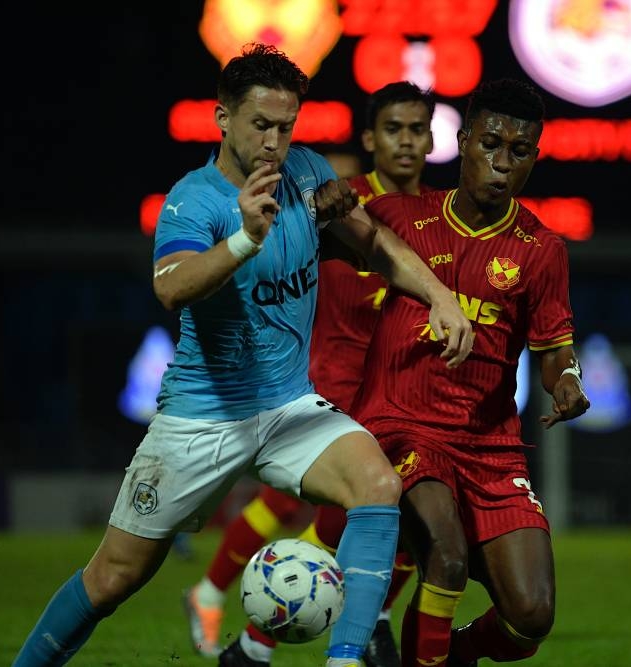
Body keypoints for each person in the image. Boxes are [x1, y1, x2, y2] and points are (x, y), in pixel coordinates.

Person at [10, 45, 473, 667]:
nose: (275, 142)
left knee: (377, 484)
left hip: (287, 409)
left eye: (287, 127)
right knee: (113, 579)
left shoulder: (308, 175)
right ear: (223, 118)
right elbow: (172, 286)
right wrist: (244, 238)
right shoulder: (193, 199)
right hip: (201, 418)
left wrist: (440, 297)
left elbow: (377, 244)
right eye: (262, 125)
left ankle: (344, 659)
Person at [319, 78, 590, 666]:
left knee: (531, 618)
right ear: (462, 142)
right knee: (443, 555)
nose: (501, 163)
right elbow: (310, 242)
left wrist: (568, 379)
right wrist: (324, 212)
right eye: (490, 143)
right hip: (403, 426)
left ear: (533, 159)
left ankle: (445, 656)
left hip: (491, 448)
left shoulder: (541, 250)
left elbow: (554, 352)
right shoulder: (402, 216)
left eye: (519, 153)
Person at [185, 80, 437, 667]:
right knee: (336, 520)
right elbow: (258, 265)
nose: (405, 141)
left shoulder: (438, 216)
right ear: (371, 137)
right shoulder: (330, 201)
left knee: (401, 522)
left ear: (432, 139)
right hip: (334, 386)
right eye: (393, 129)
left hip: (405, 394)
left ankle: (265, 640)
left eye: (417, 130)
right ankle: (295, 631)